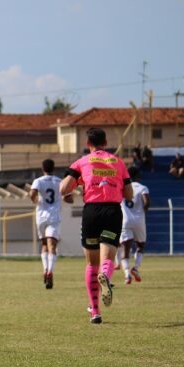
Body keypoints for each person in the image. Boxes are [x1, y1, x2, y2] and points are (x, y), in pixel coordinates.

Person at [60, 128, 132, 324]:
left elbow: (63, 188)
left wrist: (80, 182)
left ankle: (95, 311)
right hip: (112, 212)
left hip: (91, 212)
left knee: (91, 263)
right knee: (107, 257)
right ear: (105, 142)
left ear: (87, 144)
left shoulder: (82, 161)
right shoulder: (118, 162)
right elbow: (129, 194)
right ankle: (106, 276)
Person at [29, 159, 73, 289]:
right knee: (52, 245)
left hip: (41, 216)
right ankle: (50, 271)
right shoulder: (60, 181)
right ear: (54, 168)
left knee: (44, 244)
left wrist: (36, 201)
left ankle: (45, 269)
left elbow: (32, 193)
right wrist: (64, 198)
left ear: (43, 168)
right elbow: (69, 198)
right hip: (54, 217)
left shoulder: (38, 181)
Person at [119, 167, 150, 284]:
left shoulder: (122, 188)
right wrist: (141, 212)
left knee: (124, 247)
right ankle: (135, 268)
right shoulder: (143, 188)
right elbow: (147, 203)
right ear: (138, 176)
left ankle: (127, 275)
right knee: (141, 245)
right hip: (139, 220)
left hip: (125, 220)